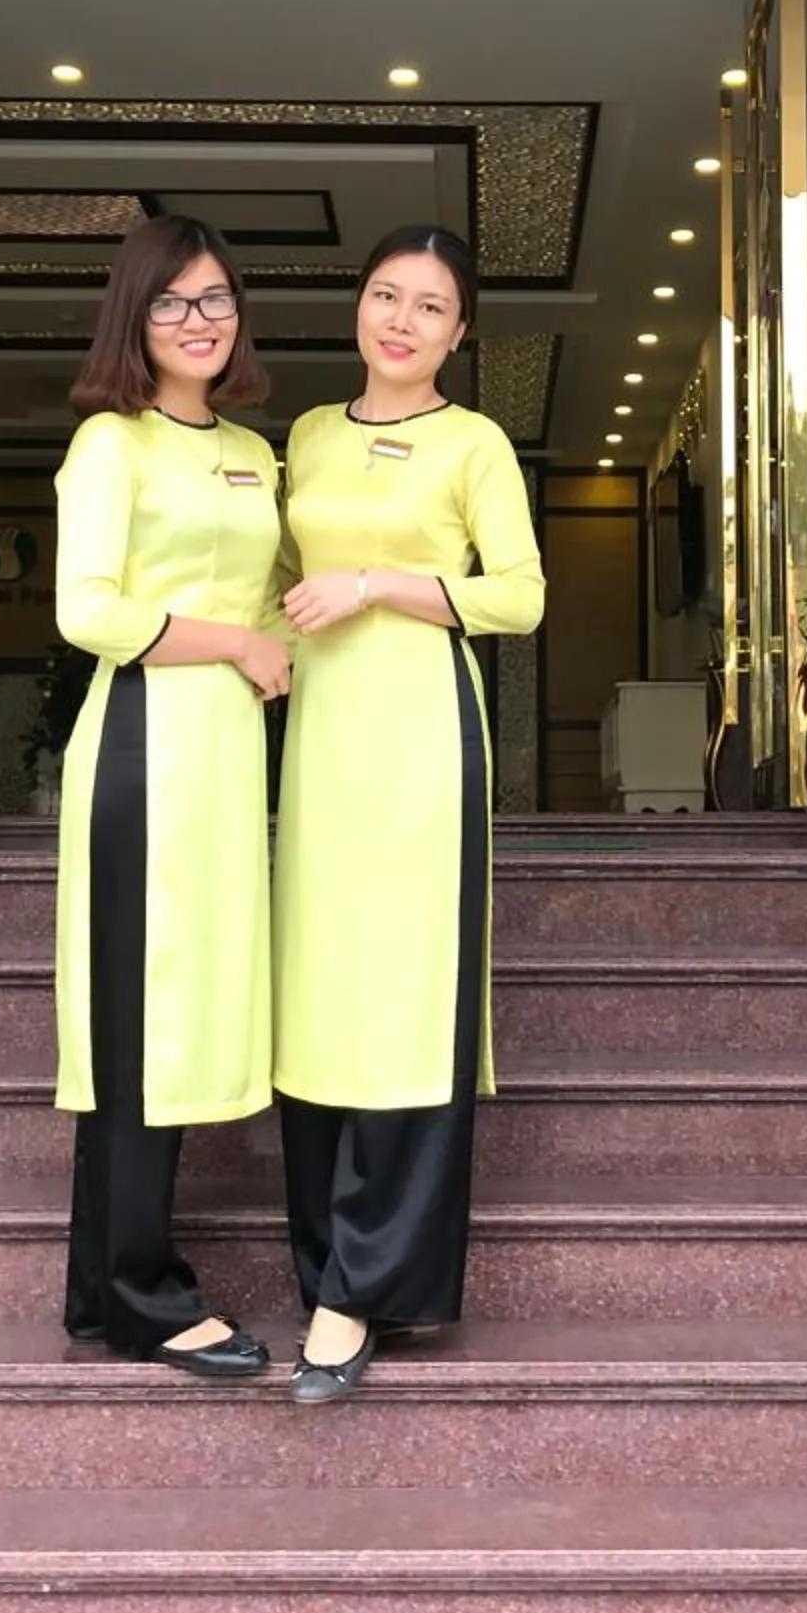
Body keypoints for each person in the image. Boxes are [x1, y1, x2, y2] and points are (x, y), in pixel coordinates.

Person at [272, 223, 547, 1403]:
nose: (401, 320)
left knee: (402, 993)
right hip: (315, 734)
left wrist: (382, 583)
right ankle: (325, 1258)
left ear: (459, 330)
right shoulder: (307, 434)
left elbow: (523, 598)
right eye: (386, 295)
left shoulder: (475, 442)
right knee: (316, 991)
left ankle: (362, 1286)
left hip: (425, 734)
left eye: (430, 307)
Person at [51, 214, 291, 1379]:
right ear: (133, 321)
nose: (200, 322)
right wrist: (238, 647)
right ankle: (145, 1293)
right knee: (141, 1020)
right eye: (173, 304)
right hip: (146, 745)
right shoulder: (114, 444)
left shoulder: (255, 451)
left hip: (229, 764)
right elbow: (88, 612)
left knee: (178, 1010)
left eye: (216, 300)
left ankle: (103, 1290)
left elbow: (287, 590)